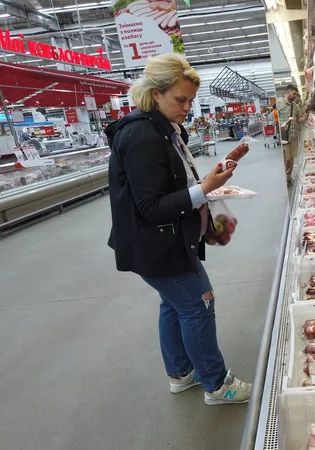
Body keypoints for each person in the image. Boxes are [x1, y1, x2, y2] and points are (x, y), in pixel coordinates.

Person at [105, 53, 252, 405]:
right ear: (155, 94)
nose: (187, 107)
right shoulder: (142, 135)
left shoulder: (161, 128)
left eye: (190, 100)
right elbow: (151, 207)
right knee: (199, 305)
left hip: (165, 241)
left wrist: (209, 180)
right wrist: (204, 189)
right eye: (180, 99)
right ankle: (217, 385)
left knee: (174, 305)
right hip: (156, 244)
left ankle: (181, 372)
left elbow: (169, 183)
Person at [277, 85, 307, 186]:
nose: (295, 96)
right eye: (294, 93)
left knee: (292, 158)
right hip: (284, 136)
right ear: (288, 92)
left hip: (294, 135)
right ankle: (284, 177)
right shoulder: (279, 104)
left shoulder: (295, 106)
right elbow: (275, 121)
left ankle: (288, 177)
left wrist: (307, 116)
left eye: (296, 94)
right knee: (286, 157)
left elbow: (299, 119)